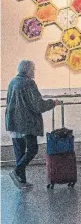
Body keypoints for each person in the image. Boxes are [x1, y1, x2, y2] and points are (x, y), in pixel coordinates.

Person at [5, 60, 61, 189]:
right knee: (32, 149)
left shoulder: (13, 82)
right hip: (26, 123)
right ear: (28, 70)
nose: (34, 72)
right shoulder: (28, 83)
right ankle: (17, 171)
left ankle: (22, 181)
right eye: (33, 69)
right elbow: (38, 105)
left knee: (19, 152)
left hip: (13, 122)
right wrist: (53, 103)